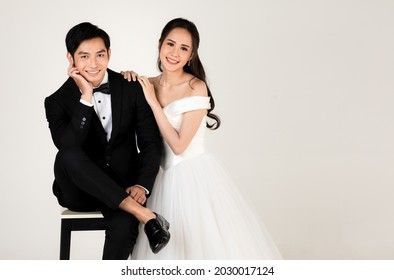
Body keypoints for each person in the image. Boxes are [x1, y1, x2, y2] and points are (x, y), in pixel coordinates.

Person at [122, 18, 282, 259]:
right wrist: (127, 77)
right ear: (159, 45)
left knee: (201, 247)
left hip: (191, 176)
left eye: (184, 48)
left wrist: (153, 103)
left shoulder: (196, 86)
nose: (175, 53)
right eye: (170, 44)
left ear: (191, 55)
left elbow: (178, 146)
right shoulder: (147, 84)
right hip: (158, 178)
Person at [44, 22, 170, 260]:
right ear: (70, 59)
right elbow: (68, 145)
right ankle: (146, 216)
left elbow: (151, 143)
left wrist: (142, 186)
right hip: (78, 192)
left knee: (124, 227)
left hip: (123, 188)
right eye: (84, 56)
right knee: (67, 154)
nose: (93, 64)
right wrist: (86, 97)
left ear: (109, 54)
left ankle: (137, 213)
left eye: (100, 55)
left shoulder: (131, 88)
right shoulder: (56, 102)